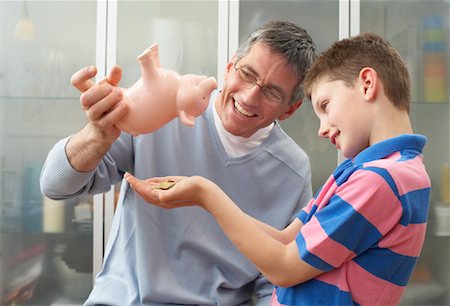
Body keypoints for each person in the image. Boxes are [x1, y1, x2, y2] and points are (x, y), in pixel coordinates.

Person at [125, 32, 431, 305]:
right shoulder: (375, 171)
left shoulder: (381, 181)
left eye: (325, 106)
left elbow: (284, 267)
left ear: (367, 84)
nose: (322, 130)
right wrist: (199, 196)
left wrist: (206, 194)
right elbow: (286, 240)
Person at [40, 20, 317, 305]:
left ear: (290, 109)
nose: (249, 97)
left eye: (272, 92)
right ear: (229, 66)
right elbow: (55, 185)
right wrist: (96, 135)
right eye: (246, 73)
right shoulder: (163, 110)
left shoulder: (292, 171)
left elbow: (274, 283)